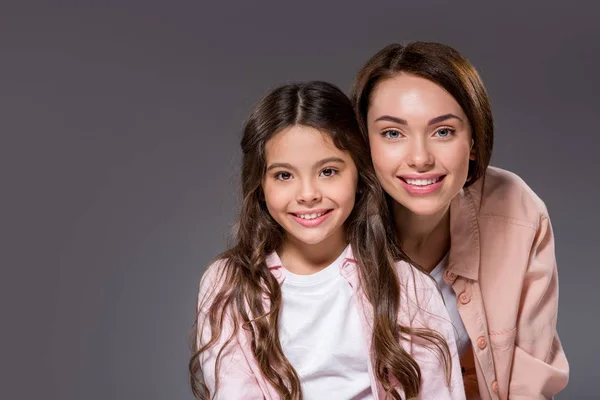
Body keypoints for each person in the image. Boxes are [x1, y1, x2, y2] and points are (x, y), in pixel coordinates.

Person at [189, 81, 465, 399]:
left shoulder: (408, 287)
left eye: (328, 171)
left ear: (360, 177)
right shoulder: (229, 285)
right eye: (284, 175)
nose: (308, 194)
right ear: (260, 185)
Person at [351, 41, 569, 399]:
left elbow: (530, 378)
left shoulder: (516, 211)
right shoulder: (330, 226)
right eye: (393, 133)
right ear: (364, 142)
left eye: (443, 131)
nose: (420, 158)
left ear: (473, 141)